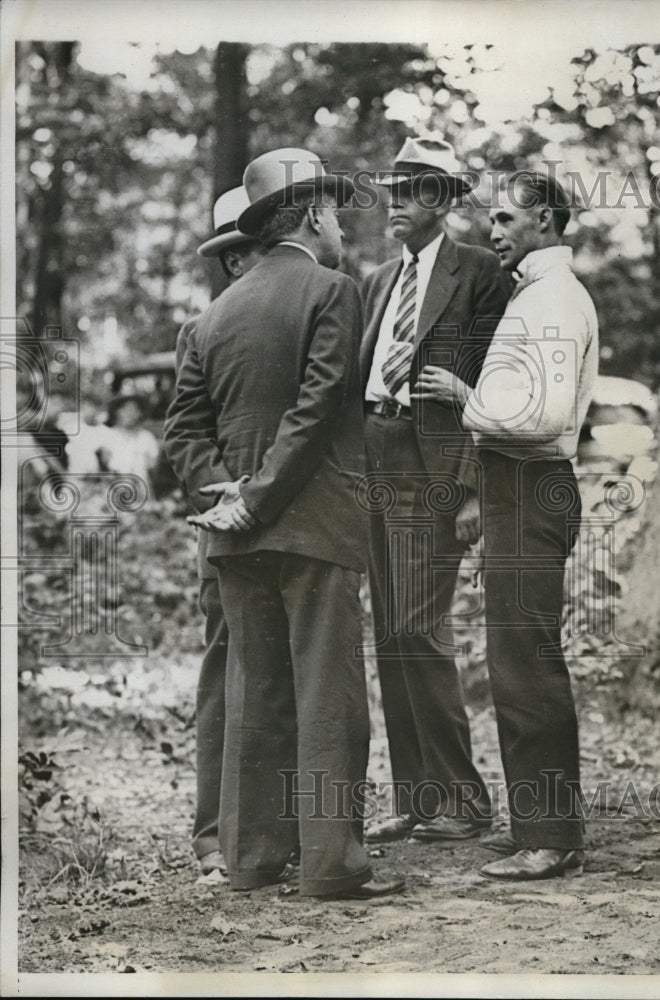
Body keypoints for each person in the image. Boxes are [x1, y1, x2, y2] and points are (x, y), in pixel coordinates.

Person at [164, 147, 403, 901]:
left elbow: (181, 433)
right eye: (332, 210)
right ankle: (332, 865)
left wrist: (227, 492)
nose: (339, 225)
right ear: (309, 217)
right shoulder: (335, 291)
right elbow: (321, 404)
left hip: (232, 535)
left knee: (254, 690)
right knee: (328, 693)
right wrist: (261, 494)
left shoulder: (209, 317)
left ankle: (253, 860)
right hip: (313, 524)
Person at [415, 170, 599, 880]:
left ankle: (550, 837)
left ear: (546, 223)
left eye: (505, 220)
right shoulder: (538, 291)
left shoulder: (554, 299)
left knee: (527, 665)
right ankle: (539, 825)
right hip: (516, 490)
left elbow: (544, 418)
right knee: (513, 660)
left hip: (533, 486)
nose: (493, 231)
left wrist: (466, 398)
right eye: (491, 220)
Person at [360, 138, 511, 842]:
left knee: (421, 631)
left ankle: (467, 800)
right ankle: (420, 796)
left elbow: (500, 381)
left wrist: (475, 489)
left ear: (445, 200)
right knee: (392, 637)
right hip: (375, 468)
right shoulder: (376, 283)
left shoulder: (479, 272)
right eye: (393, 186)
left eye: (413, 188)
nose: (396, 199)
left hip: (435, 477)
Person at [167, 185, 262, 877]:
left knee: (289, 678)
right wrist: (225, 493)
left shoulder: (313, 312)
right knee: (227, 672)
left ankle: (273, 830)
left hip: (296, 526)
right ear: (234, 263)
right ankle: (215, 834)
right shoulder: (202, 330)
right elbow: (185, 432)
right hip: (226, 533)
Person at [100, 394, 159, 483]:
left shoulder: (146, 437)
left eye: (134, 410)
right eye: (124, 409)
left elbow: (153, 468)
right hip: (114, 487)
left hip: (140, 487)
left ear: (140, 414)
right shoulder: (107, 436)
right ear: (117, 412)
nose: (129, 413)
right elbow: (103, 467)